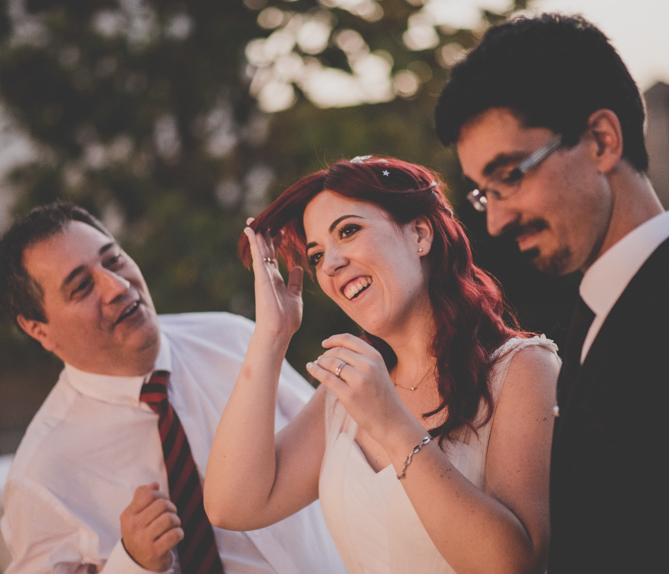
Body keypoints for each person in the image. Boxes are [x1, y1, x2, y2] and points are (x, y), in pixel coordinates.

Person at [435, 13, 669, 573]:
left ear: (601, 140)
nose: (495, 220)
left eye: (510, 177)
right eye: (483, 194)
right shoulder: (644, 303)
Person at [203, 157, 560, 574]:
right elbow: (233, 506)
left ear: (420, 234)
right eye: (316, 255)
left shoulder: (521, 369)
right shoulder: (346, 390)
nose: (331, 263)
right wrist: (272, 335)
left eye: (348, 231)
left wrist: (392, 425)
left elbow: (514, 565)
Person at [0, 202, 345, 574]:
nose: (118, 287)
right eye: (81, 287)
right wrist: (132, 564)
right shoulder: (42, 475)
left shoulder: (234, 340)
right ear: (37, 329)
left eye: (113, 260)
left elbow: (338, 450)